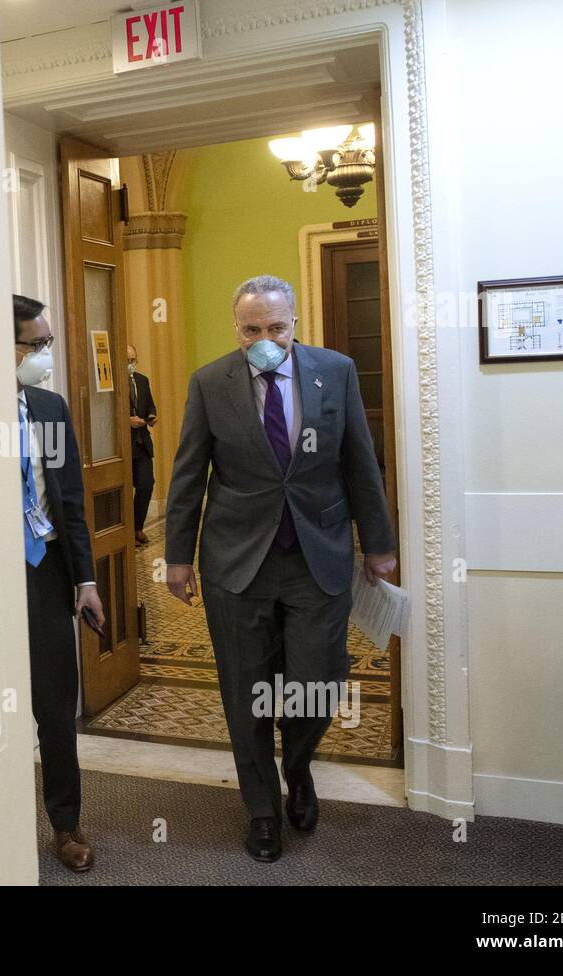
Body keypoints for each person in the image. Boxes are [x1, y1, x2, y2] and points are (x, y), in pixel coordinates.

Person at [163, 274, 396, 863]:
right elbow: (190, 473)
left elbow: (361, 462)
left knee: (317, 684)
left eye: (275, 327)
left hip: (317, 555)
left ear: (295, 322)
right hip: (235, 563)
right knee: (245, 691)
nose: (264, 339)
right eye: (251, 329)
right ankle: (262, 808)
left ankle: (299, 768)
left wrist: (378, 542)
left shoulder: (335, 371)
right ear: (235, 328)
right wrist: (176, 556)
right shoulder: (210, 382)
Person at [13, 293, 106, 873]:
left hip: (46, 569)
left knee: (55, 704)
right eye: (35, 344)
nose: (46, 354)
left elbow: (69, 500)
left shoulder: (48, 408)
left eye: (47, 342)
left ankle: (65, 825)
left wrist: (86, 579)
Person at [127, 344, 157, 545]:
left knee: (146, 484)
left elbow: (150, 405)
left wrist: (152, 416)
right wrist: (127, 420)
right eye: (127, 361)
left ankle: (137, 527)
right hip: (123, 445)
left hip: (142, 443)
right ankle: (126, 531)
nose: (130, 365)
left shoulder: (142, 380)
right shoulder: (113, 382)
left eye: (133, 360)